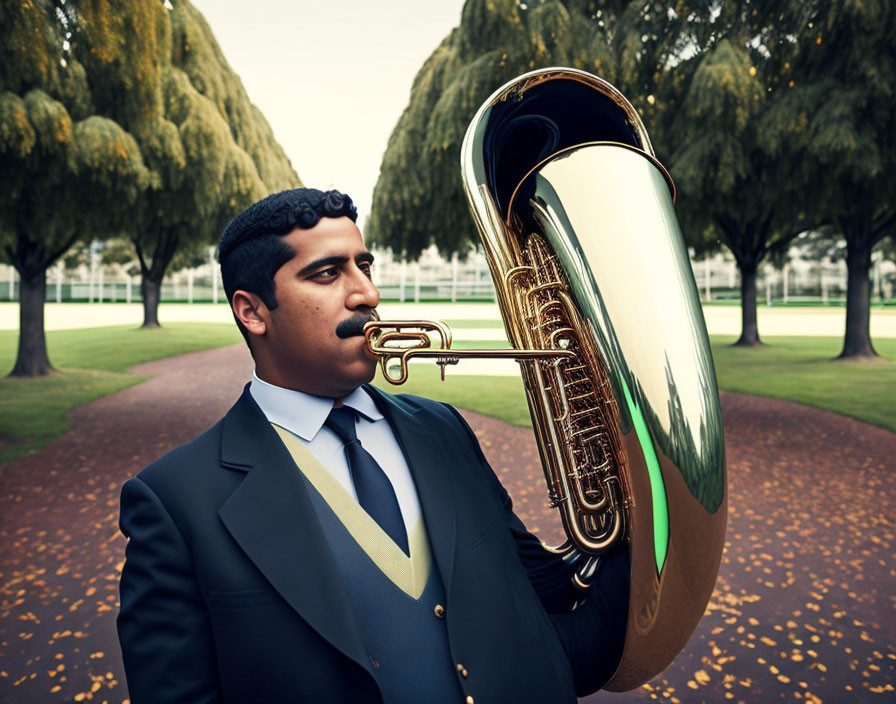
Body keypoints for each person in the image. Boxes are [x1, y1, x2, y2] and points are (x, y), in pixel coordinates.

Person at [117, 187, 630, 704]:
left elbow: (539, 605)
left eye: (365, 266)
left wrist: (646, 513)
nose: (367, 294)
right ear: (252, 312)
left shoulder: (444, 429)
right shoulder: (174, 500)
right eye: (328, 273)